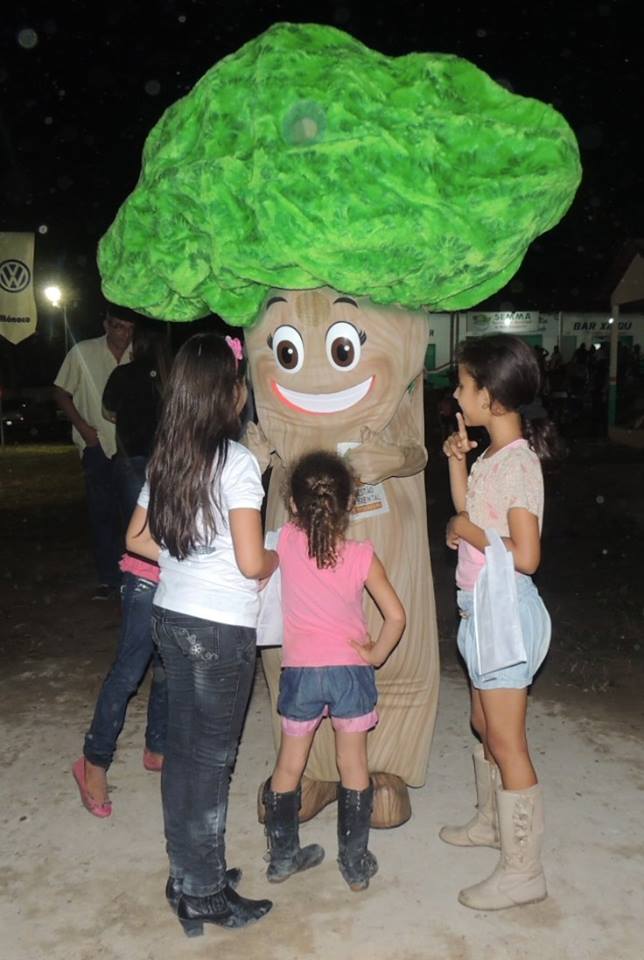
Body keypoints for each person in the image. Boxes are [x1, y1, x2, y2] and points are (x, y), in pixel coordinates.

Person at [126, 332, 279, 935]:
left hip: (173, 616)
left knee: (185, 757)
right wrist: (273, 560)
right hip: (220, 630)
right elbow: (248, 561)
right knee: (211, 764)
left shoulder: (169, 455)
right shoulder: (238, 463)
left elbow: (136, 538)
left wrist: (186, 558)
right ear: (231, 394)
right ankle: (206, 892)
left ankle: (188, 871)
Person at [440, 334, 556, 911]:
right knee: (484, 725)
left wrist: (469, 532)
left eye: (463, 385)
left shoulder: (519, 466)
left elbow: (526, 554)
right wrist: (459, 466)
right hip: (480, 611)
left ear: (493, 399)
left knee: (508, 740)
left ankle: (523, 869)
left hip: (505, 613)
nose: (456, 394)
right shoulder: (491, 455)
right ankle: (492, 822)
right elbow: (470, 511)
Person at [262, 451, 406, 893]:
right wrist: (376, 652)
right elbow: (396, 615)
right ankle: (355, 863)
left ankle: (283, 858)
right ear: (347, 506)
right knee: (353, 763)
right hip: (348, 669)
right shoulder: (362, 555)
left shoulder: (284, 541)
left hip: (302, 671)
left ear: (292, 505)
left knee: (289, 765)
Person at [72, 319, 172, 817]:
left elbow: (110, 409)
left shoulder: (196, 441)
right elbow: (139, 538)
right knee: (134, 662)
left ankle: (157, 745)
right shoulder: (163, 409)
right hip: (149, 558)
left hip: (136, 465)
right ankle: (93, 760)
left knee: (169, 662)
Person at [53, 303, 134, 598]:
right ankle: (109, 578)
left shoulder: (139, 355)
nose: (123, 335)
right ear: (106, 325)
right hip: (97, 445)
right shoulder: (83, 352)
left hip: (131, 447)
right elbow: (61, 393)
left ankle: (134, 577)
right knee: (102, 513)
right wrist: (85, 430)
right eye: (117, 326)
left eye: (129, 328)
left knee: (134, 513)